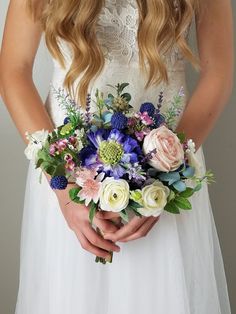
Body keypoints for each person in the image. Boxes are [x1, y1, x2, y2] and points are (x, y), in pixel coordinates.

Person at [0, 0, 233, 313]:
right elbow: (14, 69)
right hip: (68, 174)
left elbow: (218, 72)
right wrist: (65, 190)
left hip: (168, 170)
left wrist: (164, 177)